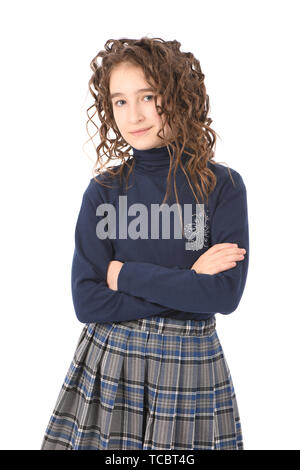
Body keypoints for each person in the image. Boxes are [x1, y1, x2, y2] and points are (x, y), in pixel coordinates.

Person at [41, 37, 249, 450]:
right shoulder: (104, 191)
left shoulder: (221, 186)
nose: (132, 115)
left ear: (178, 96)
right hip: (109, 364)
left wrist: (124, 274)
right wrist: (189, 282)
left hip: (188, 368)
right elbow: (88, 301)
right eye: (119, 101)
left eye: (148, 97)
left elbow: (223, 295)